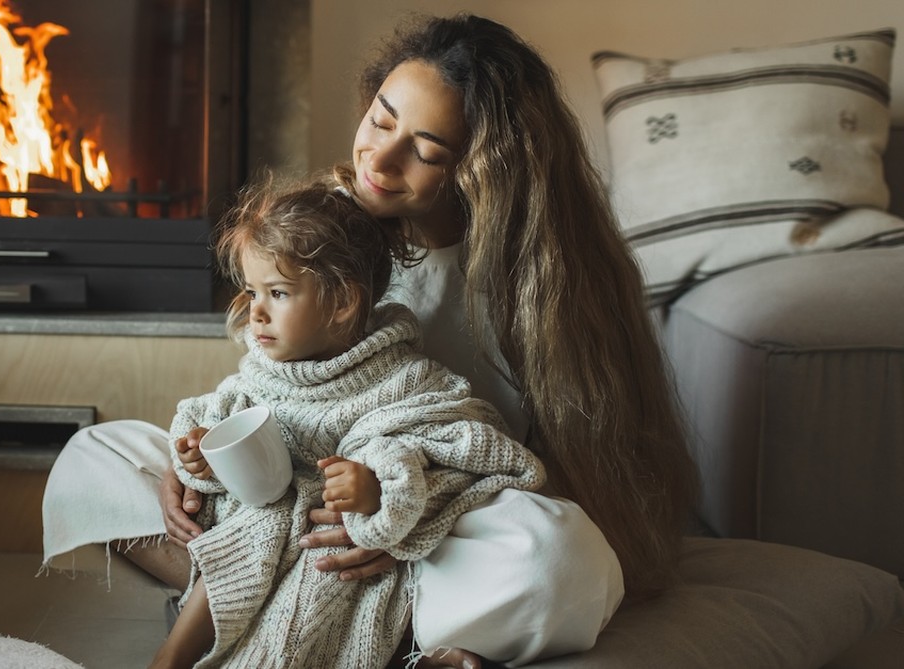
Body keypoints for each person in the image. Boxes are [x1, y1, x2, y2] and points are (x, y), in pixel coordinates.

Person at [43, 12, 697, 667]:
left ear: (479, 168)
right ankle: (273, 577)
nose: (381, 159)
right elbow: (277, 387)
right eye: (382, 120)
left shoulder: (542, 282)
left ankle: (291, 593)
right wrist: (188, 472)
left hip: (434, 522)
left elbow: (537, 472)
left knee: (560, 555)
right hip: (298, 495)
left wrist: (401, 515)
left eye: (427, 149)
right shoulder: (333, 225)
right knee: (93, 454)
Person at [148, 177, 546, 668]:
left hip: (343, 553)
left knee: (313, 584)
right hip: (260, 533)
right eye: (251, 292)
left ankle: (414, 655)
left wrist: (380, 491)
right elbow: (220, 415)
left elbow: (473, 443)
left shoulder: (404, 379)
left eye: (278, 292)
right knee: (105, 457)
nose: (256, 312)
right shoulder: (262, 371)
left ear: (341, 303)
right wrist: (197, 457)